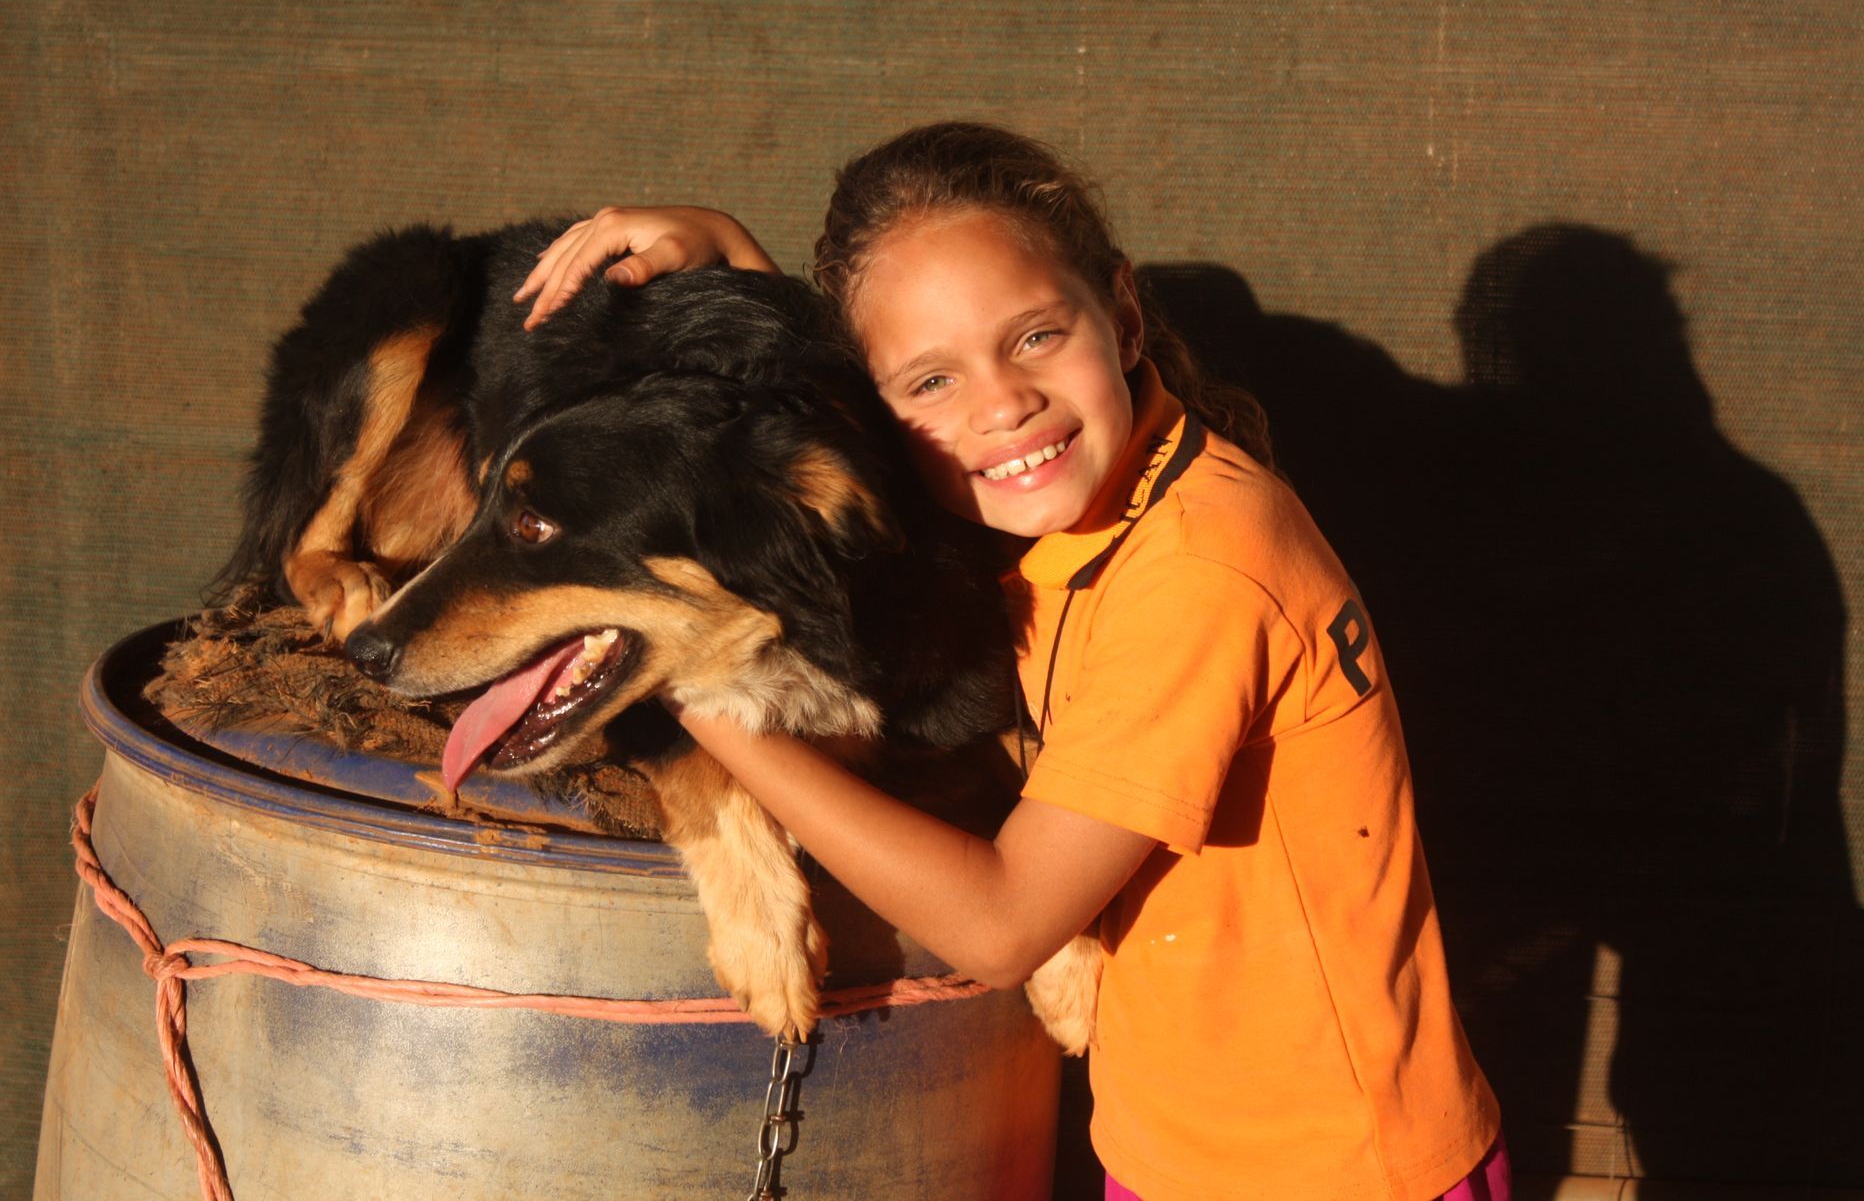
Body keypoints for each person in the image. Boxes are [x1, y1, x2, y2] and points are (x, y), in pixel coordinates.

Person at [513, 122, 1507, 1201]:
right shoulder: (1074, 504)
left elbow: (1000, 925)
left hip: (1330, 1170)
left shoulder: (1203, 570)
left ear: (1122, 316)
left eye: (1035, 338)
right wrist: (730, 248)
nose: (1000, 406)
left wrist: (704, 698)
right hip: (1180, 1151)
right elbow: (842, 414)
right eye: (932, 384)